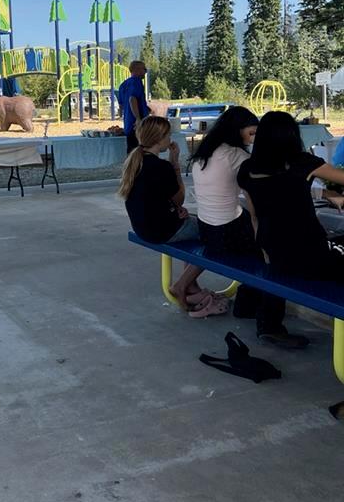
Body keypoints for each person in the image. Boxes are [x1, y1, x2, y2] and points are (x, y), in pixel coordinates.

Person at [191, 107, 307, 348]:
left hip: (208, 231)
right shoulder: (237, 156)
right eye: (251, 133)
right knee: (275, 255)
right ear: (237, 131)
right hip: (227, 233)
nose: (254, 139)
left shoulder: (207, 152)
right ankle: (270, 325)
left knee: (258, 246)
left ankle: (246, 304)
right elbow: (264, 195)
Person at [119, 116, 227, 317]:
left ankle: (191, 286)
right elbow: (180, 198)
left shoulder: (135, 162)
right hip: (163, 230)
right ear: (159, 139)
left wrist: (174, 209)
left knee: (195, 222)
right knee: (216, 234)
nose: (170, 138)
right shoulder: (161, 167)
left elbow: (153, 198)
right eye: (168, 135)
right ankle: (182, 285)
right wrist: (175, 162)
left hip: (143, 227)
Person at [238, 111, 344, 285]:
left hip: (276, 252)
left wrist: (266, 257)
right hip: (313, 256)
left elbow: (255, 216)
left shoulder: (247, 169)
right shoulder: (302, 162)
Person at [118, 61, 150, 154]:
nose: (145, 72)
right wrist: (138, 118)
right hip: (138, 125)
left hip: (128, 124)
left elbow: (121, 106)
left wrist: (146, 109)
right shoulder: (136, 81)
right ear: (137, 69)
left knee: (132, 152)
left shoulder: (123, 85)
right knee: (141, 152)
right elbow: (132, 99)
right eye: (144, 69)